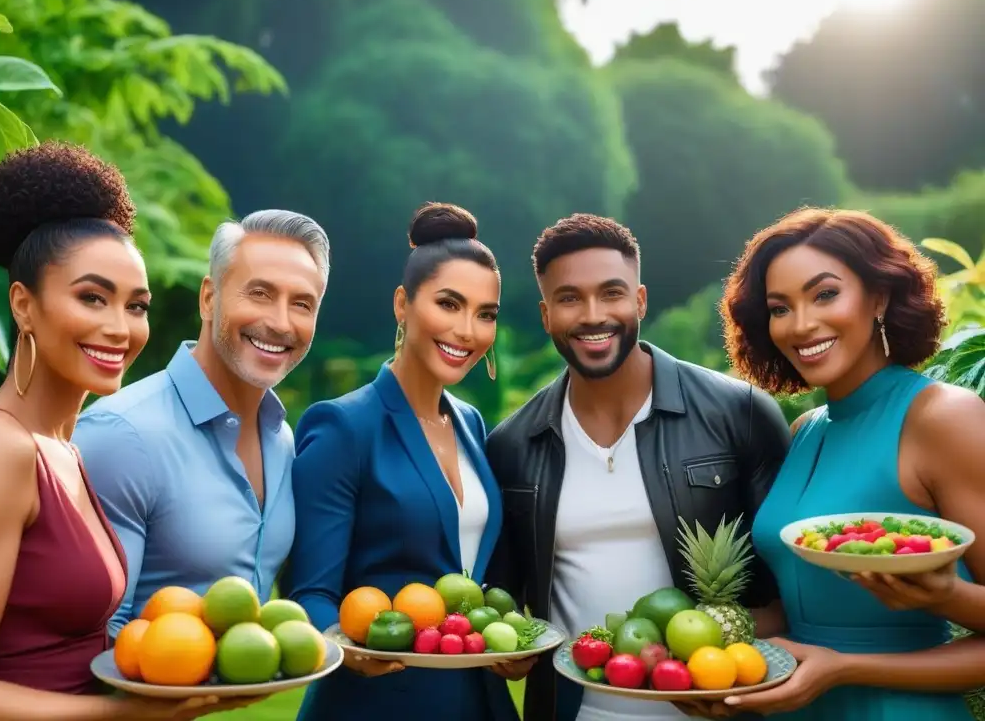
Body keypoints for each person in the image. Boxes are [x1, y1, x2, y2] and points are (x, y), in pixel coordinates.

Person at [0, 141, 246, 719]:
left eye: (135, 306)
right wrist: (130, 715)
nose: (119, 328)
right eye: (92, 298)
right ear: (23, 304)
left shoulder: (67, 449)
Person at [485, 214, 791, 721]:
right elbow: (506, 605)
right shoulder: (513, 444)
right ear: (545, 315)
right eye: (568, 298)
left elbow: (791, 592)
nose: (592, 315)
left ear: (640, 301)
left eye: (611, 293)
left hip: (715, 706)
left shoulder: (741, 414)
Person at [708, 206, 985, 720]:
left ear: (879, 296)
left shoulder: (944, 417)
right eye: (779, 307)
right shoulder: (806, 431)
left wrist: (847, 666)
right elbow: (804, 610)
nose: (802, 324)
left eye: (825, 294)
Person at [283, 203, 522, 721]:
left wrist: (511, 641)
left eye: (486, 314)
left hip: (476, 697)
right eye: (449, 304)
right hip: (376, 701)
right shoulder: (343, 427)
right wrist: (349, 649)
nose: (467, 330)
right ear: (403, 304)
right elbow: (311, 591)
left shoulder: (471, 424)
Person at [73, 209, 330, 637]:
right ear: (209, 297)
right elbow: (92, 638)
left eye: (302, 304)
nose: (282, 322)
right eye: (260, 293)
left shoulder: (282, 439)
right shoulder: (120, 436)